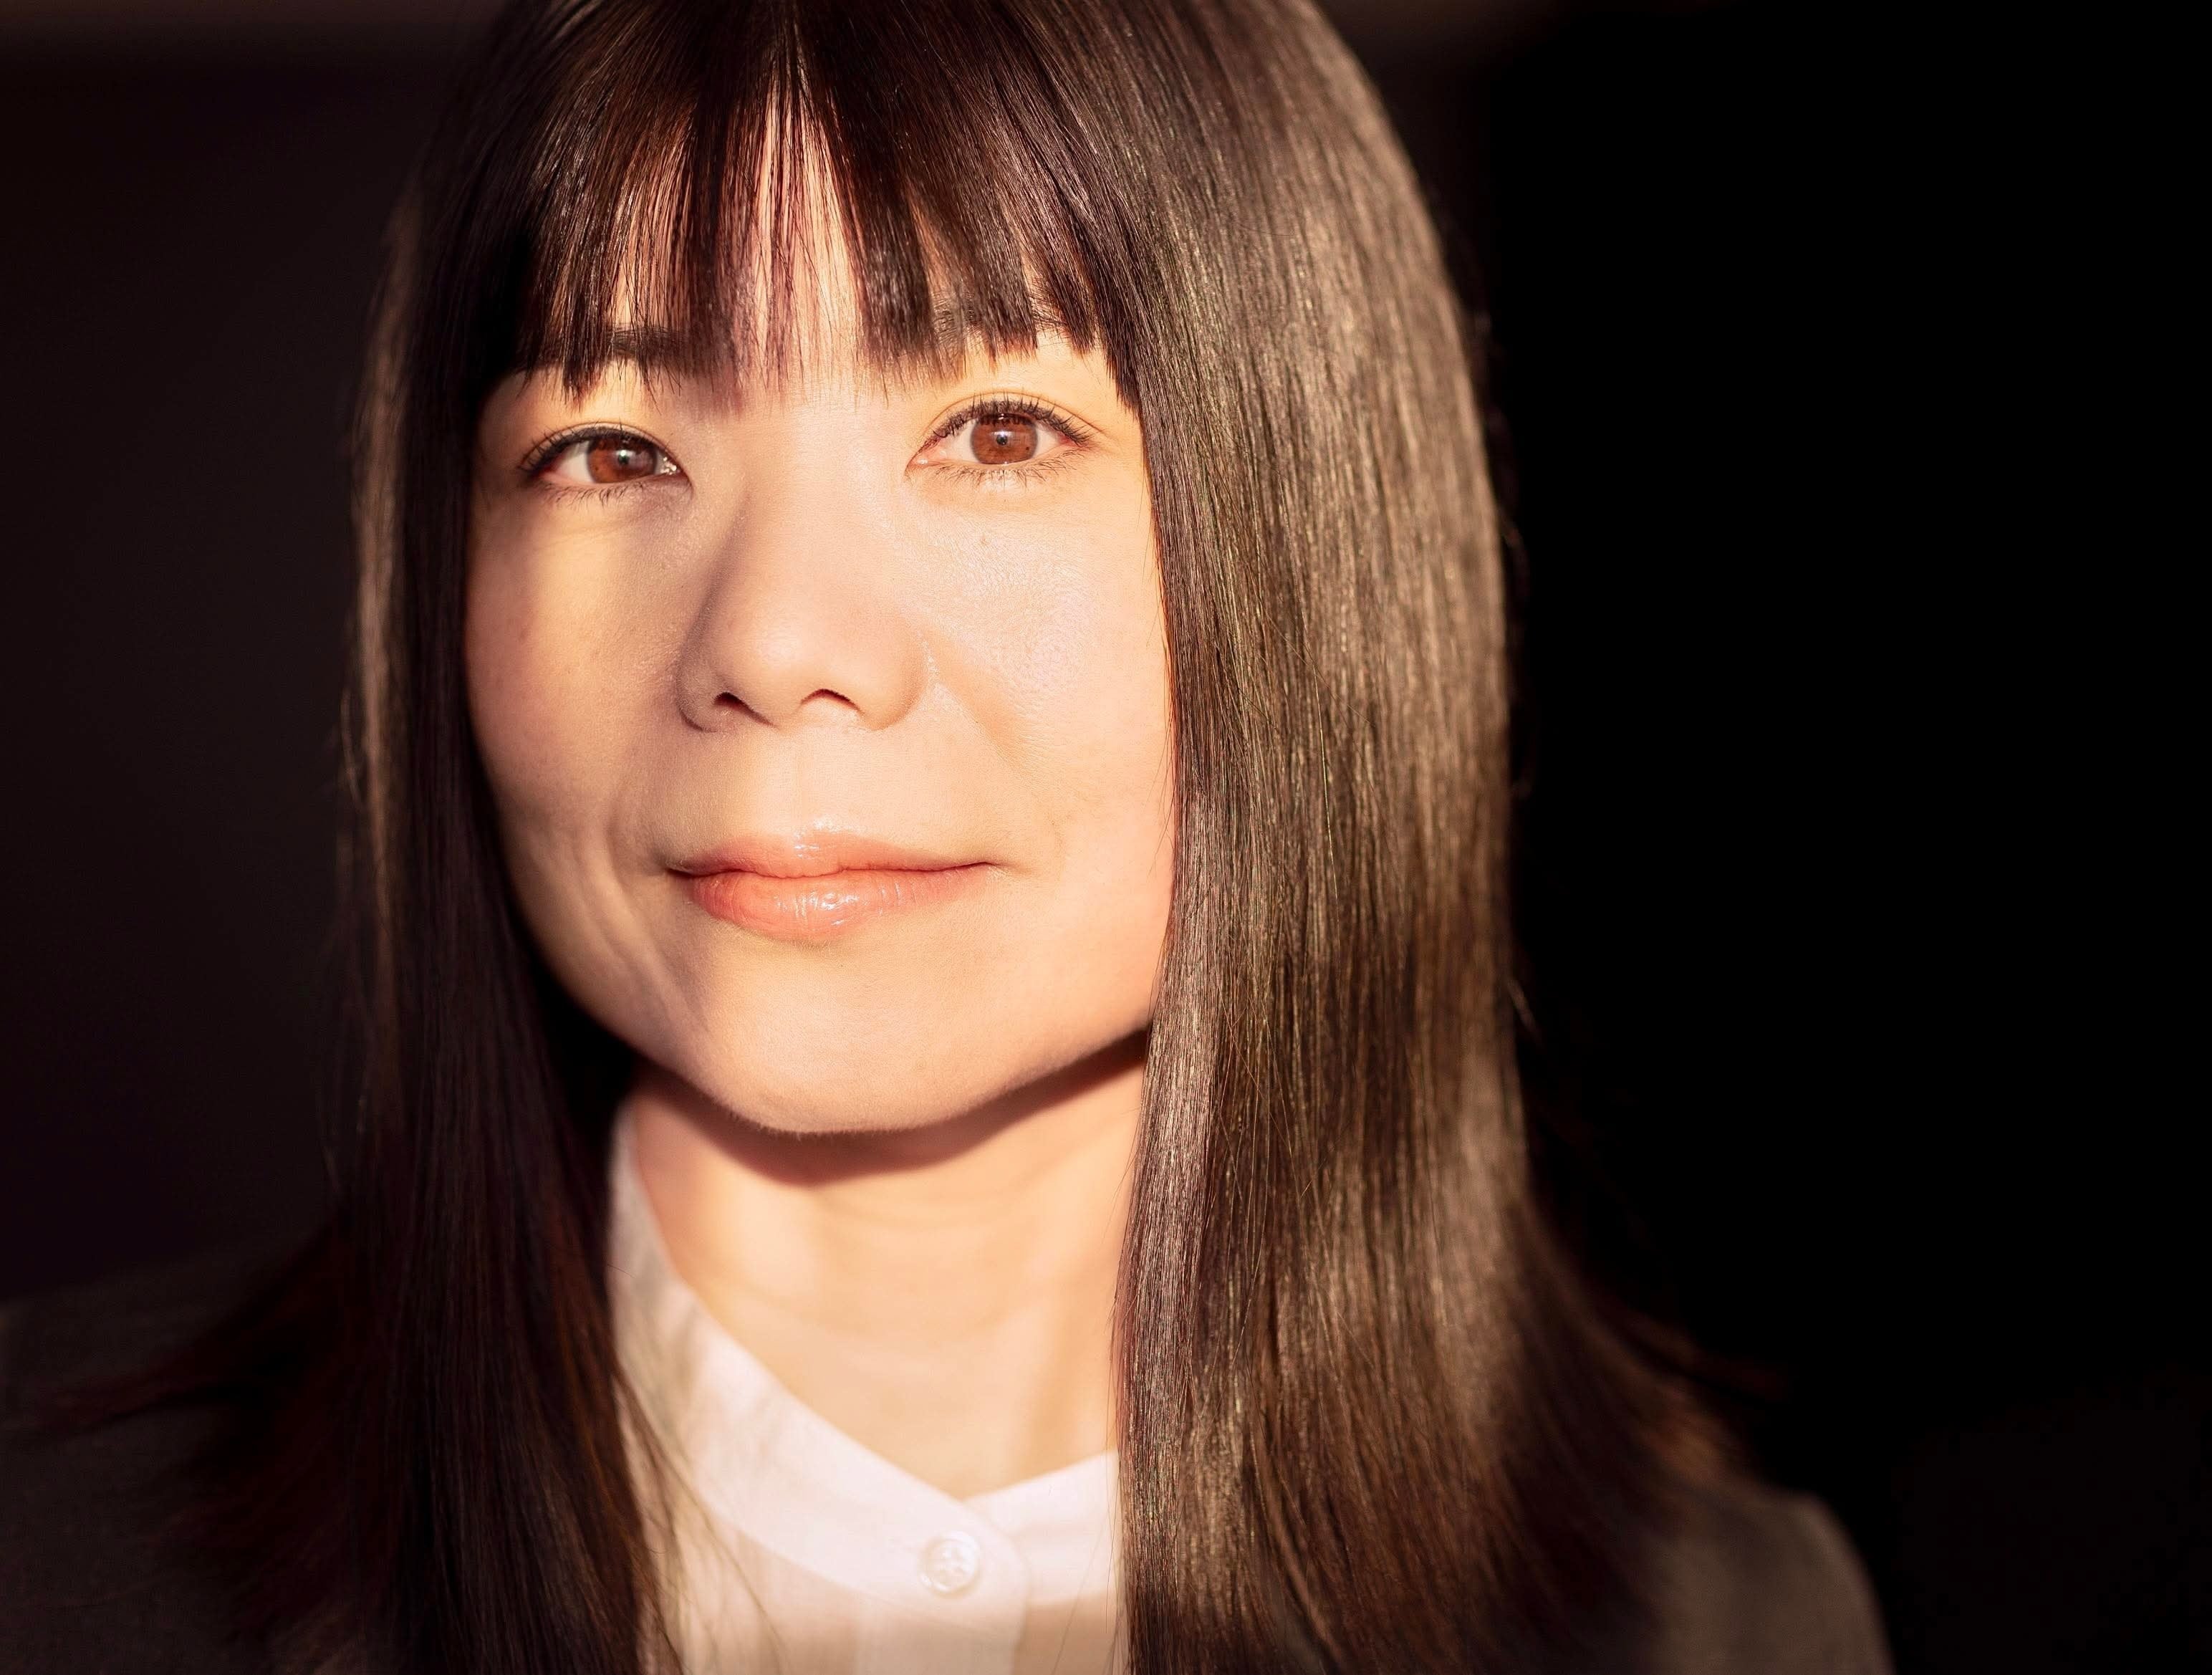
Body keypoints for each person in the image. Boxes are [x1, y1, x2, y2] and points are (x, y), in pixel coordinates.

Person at [0, 0, 1892, 1669]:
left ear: (1325, 543)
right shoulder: (45, 1555)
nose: (771, 641)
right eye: (613, 450)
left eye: (996, 433)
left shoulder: (1720, 1631)